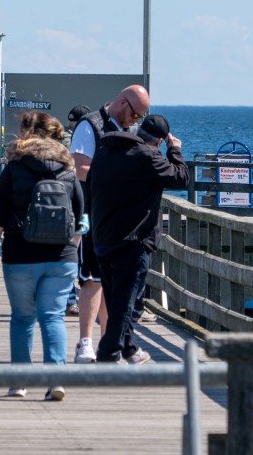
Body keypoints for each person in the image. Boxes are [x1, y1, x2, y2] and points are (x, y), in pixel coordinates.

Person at [0, 112, 84, 401]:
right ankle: (56, 381)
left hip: (20, 255)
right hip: (62, 256)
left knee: (22, 318)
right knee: (53, 317)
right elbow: (81, 217)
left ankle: (19, 383)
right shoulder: (68, 170)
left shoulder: (14, 168)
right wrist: (73, 251)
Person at [89, 113, 187, 365]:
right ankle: (108, 352)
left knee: (115, 298)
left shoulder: (105, 150)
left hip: (102, 237)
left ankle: (130, 349)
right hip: (132, 241)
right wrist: (174, 150)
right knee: (125, 302)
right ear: (159, 140)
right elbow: (180, 178)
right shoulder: (149, 156)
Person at [68, 85, 150, 362]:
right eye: (135, 115)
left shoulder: (132, 131)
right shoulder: (89, 126)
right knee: (91, 279)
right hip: (92, 214)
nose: (136, 121)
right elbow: (79, 167)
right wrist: (116, 179)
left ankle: (110, 342)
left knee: (114, 283)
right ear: (123, 103)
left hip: (120, 219)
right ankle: (85, 342)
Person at [62, 105, 91, 317]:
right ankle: (74, 299)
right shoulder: (87, 143)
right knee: (78, 253)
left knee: (70, 253)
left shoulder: (60, 141)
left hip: (65, 208)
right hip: (84, 211)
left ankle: (69, 298)